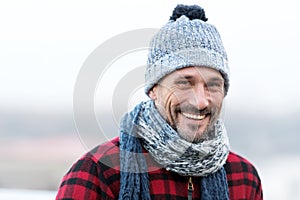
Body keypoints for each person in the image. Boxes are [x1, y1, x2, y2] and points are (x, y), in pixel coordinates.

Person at [56, 4, 263, 200]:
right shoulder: (98, 172)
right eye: (184, 83)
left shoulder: (243, 177)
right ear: (154, 89)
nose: (200, 101)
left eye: (213, 85)